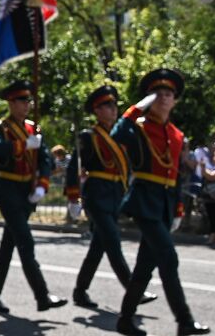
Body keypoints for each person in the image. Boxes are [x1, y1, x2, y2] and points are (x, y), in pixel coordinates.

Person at [112, 69, 210, 336]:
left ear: (175, 100)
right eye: (158, 94)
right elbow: (117, 136)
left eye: (169, 94)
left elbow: (176, 174)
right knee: (168, 256)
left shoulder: (177, 135)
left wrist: (178, 208)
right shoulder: (139, 127)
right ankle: (184, 320)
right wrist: (133, 111)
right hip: (145, 200)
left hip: (165, 203)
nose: (164, 98)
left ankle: (125, 319)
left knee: (146, 264)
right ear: (150, 99)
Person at [64, 84, 155, 308]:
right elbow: (73, 167)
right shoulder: (89, 136)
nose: (113, 109)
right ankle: (134, 290)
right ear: (96, 111)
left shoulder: (120, 134)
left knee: (99, 247)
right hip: (96, 194)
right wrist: (73, 197)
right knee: (113, 241)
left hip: (116, 194)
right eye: (106, 106)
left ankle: (80, 291)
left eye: (114, 105)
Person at [0, 80, 67, 314]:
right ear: (10, 102)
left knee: (8, 247)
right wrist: (22, 145)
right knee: (26, 243)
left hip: (26, 192)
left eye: (29, 100)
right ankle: (42, 295)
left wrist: (42, 184)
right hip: (8, 190)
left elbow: (46, 160)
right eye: (21, 100)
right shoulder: (1, 128)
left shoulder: (33, 129)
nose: (27, 104)